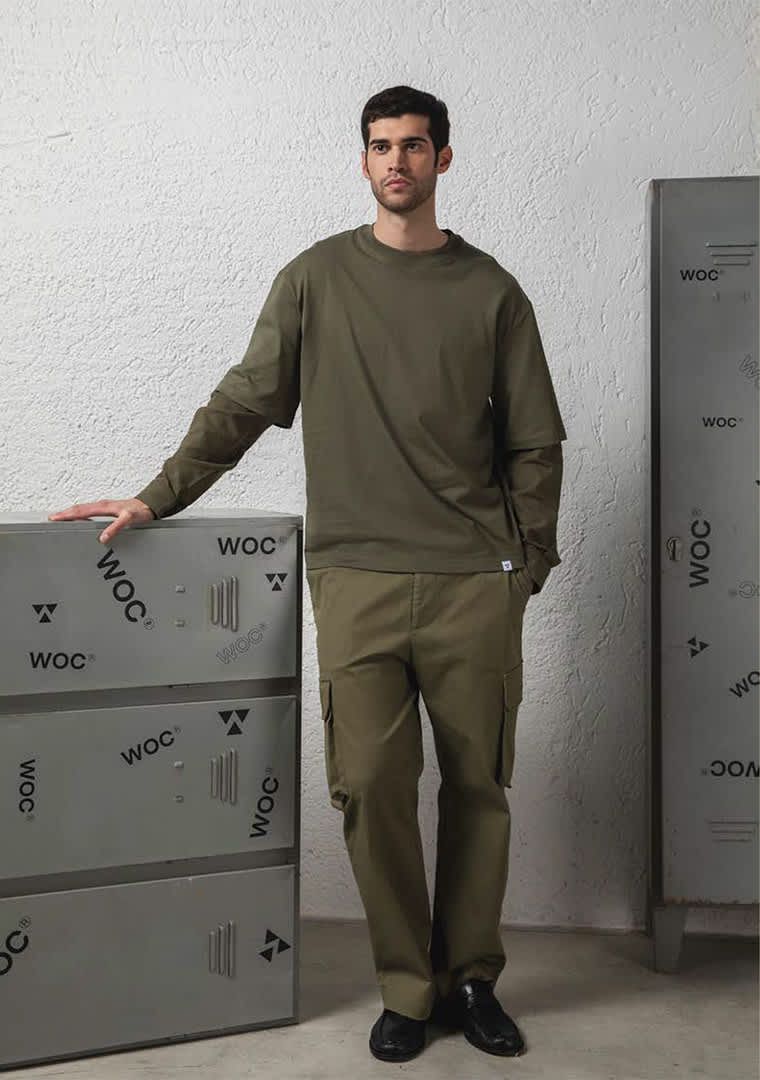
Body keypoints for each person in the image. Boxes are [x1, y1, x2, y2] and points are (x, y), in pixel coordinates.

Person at [49, 84, 567, 1063]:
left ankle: (471, 979)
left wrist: (525, 564)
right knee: (369, 785)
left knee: (477, 789)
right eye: (380, 145)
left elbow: (535, 441)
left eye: (414, 145)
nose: (397, 161)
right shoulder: (315, 280)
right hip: (355, 578)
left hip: (473, 581)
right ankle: (407, 987)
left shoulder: (491, 291)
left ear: (443, 159)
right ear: (363, 159)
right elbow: (242, 404)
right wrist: (157, 497)